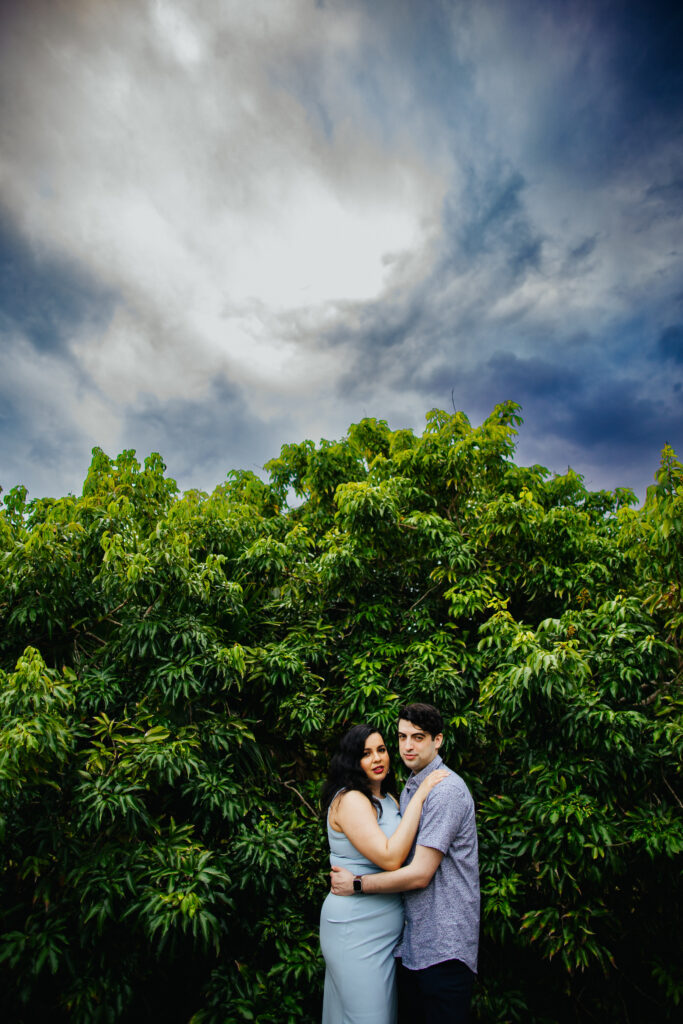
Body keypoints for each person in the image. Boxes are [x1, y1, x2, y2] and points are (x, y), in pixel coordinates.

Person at [330, 704, 479, 1024]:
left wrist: (357, 884)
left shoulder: (444, 790)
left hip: (443, 947)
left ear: (437, 740)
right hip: (411, 947)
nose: (407, 746)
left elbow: (420, 873)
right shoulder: (409, 789)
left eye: (418, 737)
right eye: (401, 737)